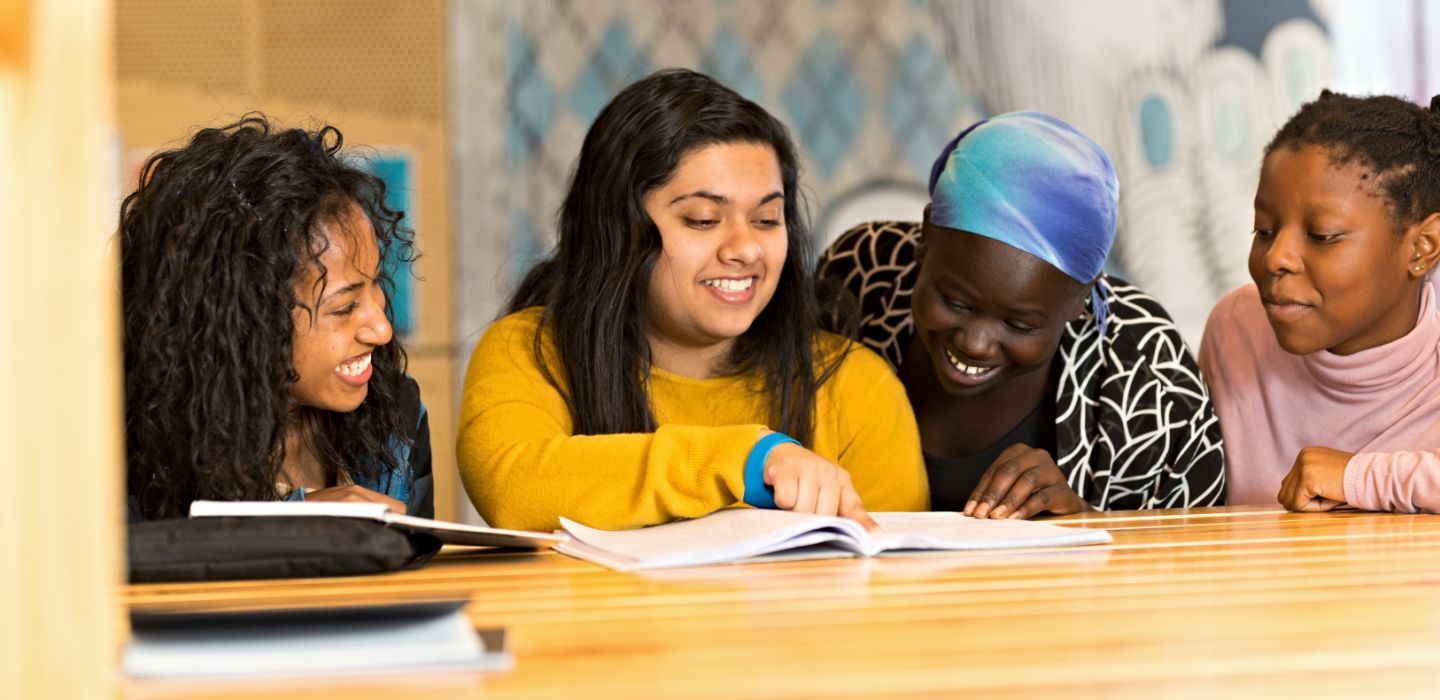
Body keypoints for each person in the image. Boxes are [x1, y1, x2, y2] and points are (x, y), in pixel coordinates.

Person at [457, 69, 928, 532]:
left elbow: (890, 573)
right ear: (617, 231)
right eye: (704, 220)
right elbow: (513, 488)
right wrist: (743, 461)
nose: (745, 249)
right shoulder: (529, 351)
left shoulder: (854, 385)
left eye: (766, 220)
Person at [819, 111, 1225, 519]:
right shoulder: (861, 275)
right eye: (956, 302)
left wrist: (1084, 520)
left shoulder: (1149, 372)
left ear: (1083, 296)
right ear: (926, 235)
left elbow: (1197, 554)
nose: (974, 343)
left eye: (1020, 325)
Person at [121, 115, 431, 522]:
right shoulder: (123, 447)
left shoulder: (397, 420)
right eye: (343, 307)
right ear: (246, 318)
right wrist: (289, 521)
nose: (382, 329)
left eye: (375, 285)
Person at [1201, 90, 1440, 513]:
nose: (1276, 258)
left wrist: (1358, 478)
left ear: (1422, 247)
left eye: (1322, 236)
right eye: (1264, 230)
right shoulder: (1237, 328)